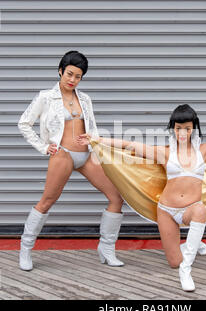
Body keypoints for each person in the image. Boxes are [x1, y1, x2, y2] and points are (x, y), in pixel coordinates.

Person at [77, 104, 206, 291]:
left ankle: (186, 270)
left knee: (200, 211)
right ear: (173, 129)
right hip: (167, 210)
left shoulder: (204, 150)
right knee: (173, 261)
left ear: (193, 128)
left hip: (190, 209)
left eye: (187, 128)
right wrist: (97, 139)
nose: (183, 132)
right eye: (179, 128)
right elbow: (130, 146)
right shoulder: (165, 152)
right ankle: (191, 246)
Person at [17, 50, 125, 271]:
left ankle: (106, 248)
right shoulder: (46, 97)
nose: (72, 80)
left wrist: (95, 144)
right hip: (63, 153)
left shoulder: (85, 99)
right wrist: (44, 146)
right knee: (47, 201)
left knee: (116, 197)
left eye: (78, 76)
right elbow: (24, 123)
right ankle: (25, 249)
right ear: (60, 71)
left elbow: (91, 126)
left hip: (86, 155)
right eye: (69, 74)